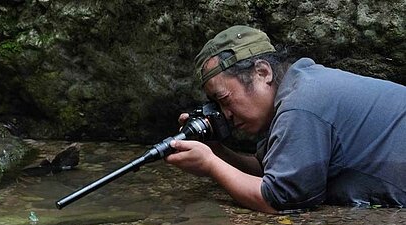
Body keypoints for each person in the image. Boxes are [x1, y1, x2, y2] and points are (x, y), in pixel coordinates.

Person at [164, 25, 406, 214]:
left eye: (224, 98)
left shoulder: (302, 105)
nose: (224, 113)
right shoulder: (301, 86)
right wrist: (216, 151)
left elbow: (279, 199)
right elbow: (270, 171)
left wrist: (210, 164)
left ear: (262, 73)